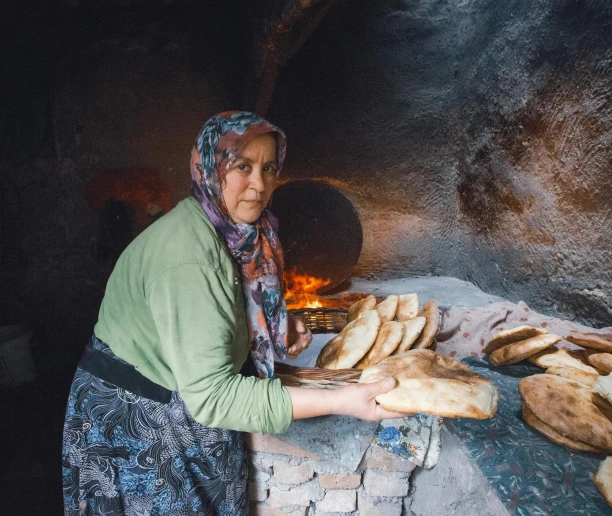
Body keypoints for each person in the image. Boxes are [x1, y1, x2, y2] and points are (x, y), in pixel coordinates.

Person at [62, 111, 406, 516]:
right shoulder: (188, 255)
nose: (259, 185)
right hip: (137, 420)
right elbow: (213, 397)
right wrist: (343, 400)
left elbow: (220, 305)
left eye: (269, 168)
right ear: (211, 166)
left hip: (175, 393)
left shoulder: (240, 234)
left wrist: (273, 323)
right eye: (242, 167)